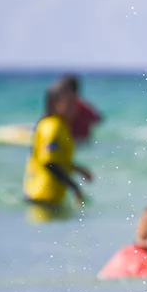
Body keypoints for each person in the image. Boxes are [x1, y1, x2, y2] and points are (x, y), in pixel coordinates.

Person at [23, 80, 93, 212]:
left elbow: (58, 159)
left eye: (76, 103)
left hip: (48, 198)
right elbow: (50, 163)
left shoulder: (61, 125)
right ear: (54, 104)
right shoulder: (52, 127)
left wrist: (78, 169)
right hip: (42, 198)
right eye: (70, 103)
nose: (75, 108)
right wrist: (75, 187)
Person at [55, 73, 103, 143]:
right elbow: (98, 119)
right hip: (78, 144)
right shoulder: (86, 107)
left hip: (77, 143)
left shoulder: (61, 108)